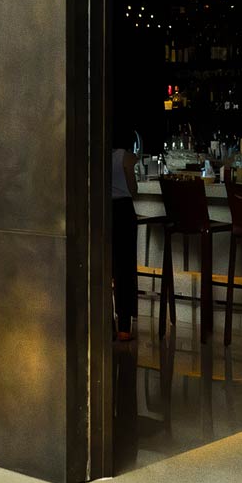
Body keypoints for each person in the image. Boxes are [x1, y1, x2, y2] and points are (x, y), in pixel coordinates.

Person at [110, 144, 141, 340]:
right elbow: (134, 189)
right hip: (123, 210)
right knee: (125, 268)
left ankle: (104, 322)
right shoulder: (125, 157)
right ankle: (124, 327)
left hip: (101, 209)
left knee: (105, 268)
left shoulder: (94, 151)